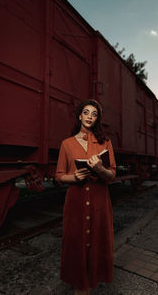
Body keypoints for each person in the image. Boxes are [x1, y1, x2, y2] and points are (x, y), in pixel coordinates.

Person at [55, 99, 116, 295]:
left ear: (97, 119)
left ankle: (90, 282)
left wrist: (99, 169)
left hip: (99, 201)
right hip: (76, 201)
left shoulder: (105, 142)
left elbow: (112, 175)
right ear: (79, 115)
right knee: (76, 242)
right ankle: (80, 285)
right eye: (86, 112)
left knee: (98, 241)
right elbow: (58, 176)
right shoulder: (67, 144)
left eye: (94, 114)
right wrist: (74, 177)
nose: (90, 116)